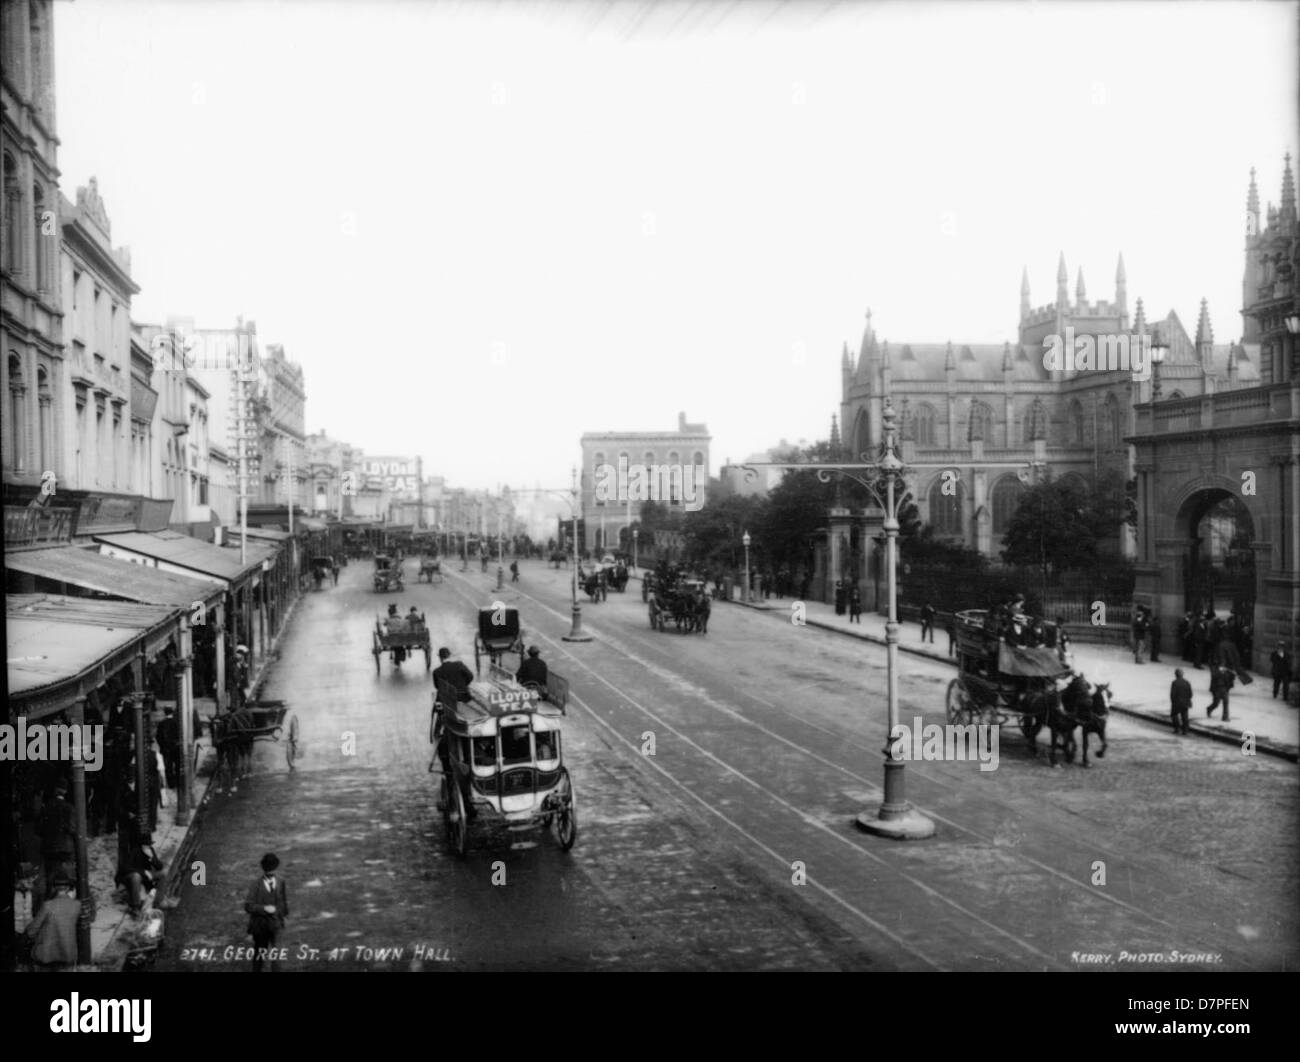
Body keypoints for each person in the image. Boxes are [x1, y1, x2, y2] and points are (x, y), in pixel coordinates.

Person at [244, 853, 289, 973]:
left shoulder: (281, 882)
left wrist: (283, 915)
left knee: (277, 955)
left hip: (276, 925)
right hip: (260, 926)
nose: (271, 872)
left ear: (276, 867)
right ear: (264, 869)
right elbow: (248, 906)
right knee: (259, 954)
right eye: (268, 869)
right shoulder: (256, 884)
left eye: (272, 868)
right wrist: (264, 909)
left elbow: (283, 901)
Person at [24, 874, 80, 971]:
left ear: (54, 888)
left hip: (47, 953)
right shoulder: (77, 905)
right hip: (68, 952)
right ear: (68, 888)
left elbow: (32, 930)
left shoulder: (48, 905)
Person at [39, 781, 76, 893]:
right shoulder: (69, 807)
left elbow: (39, 829)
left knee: (50, 876)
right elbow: (72, 828)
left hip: (49, 847)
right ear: (65, 792)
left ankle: (50, 899)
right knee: (68, 876)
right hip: (65, 848)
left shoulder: (46, 807)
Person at [156, 704, 180, 789]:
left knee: (168, 767)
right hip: (176, 748)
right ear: (172, 712)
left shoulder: (162, 723)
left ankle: (171, 784)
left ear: (165, 712)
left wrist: (162, 746)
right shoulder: (177, 722)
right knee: (177, 766)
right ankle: (178, 782)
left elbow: (158, 737)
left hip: (166, 749)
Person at [1170, 668, 1193, 736]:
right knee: (1185, 716)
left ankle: (1177, 728)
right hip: (1186, 702)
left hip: (1177, 702)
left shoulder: (1175, 682)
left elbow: (1173, 694)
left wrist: (1173, 701)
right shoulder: (1187, 682)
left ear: (1176, 675)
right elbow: (1191, 693)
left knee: (1174, 715)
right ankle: (1185, 730)